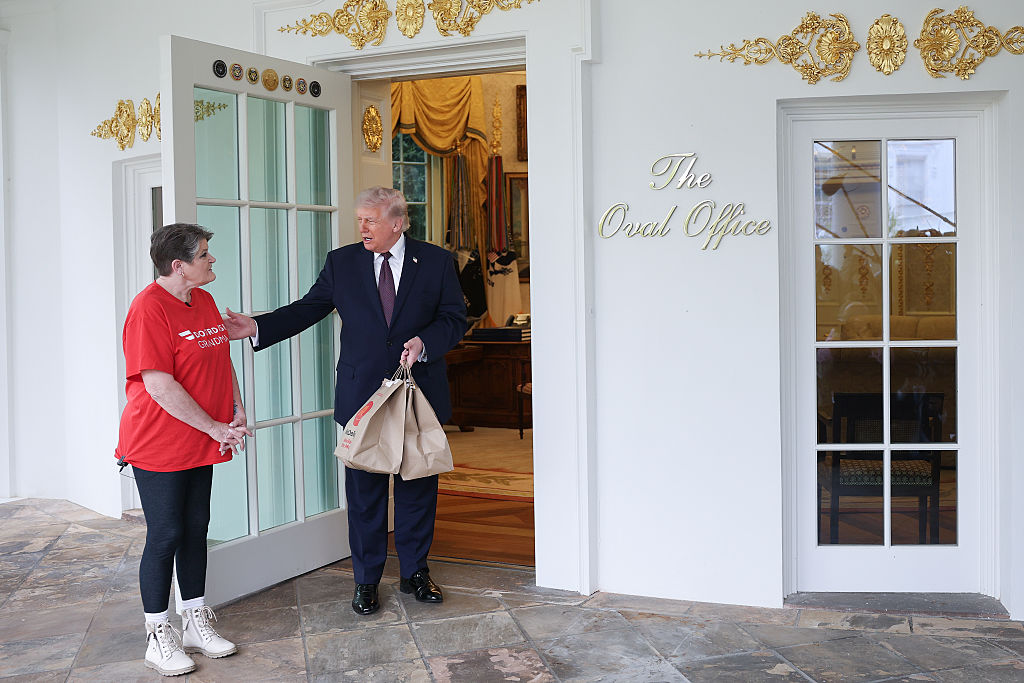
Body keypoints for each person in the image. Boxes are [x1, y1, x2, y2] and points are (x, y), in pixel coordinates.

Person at [223, 186, 467, 616]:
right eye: (360, 220)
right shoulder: (343, 261)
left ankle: (414, 573)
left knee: (417, 490)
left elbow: (454, 318)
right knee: (366, 495)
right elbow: (309, 307)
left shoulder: (435, 261)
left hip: (417, 392)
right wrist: (256, 327)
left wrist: (424, 342)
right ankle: (367, 581)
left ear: (398, 223)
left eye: (370, 220)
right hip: (362, 397)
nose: (362, 228)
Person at [115, 223, 251, 676]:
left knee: (196, 528)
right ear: (180, 266)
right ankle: (158, 634)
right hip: (159, 442)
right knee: (166, 534)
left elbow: (220, 358)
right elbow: (157, 385)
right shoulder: (148, 309)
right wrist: (214, 426)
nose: (212, 260)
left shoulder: (205, 300)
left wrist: (235, 407)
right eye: (205, 254)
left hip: (203, 436)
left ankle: (195, 621)